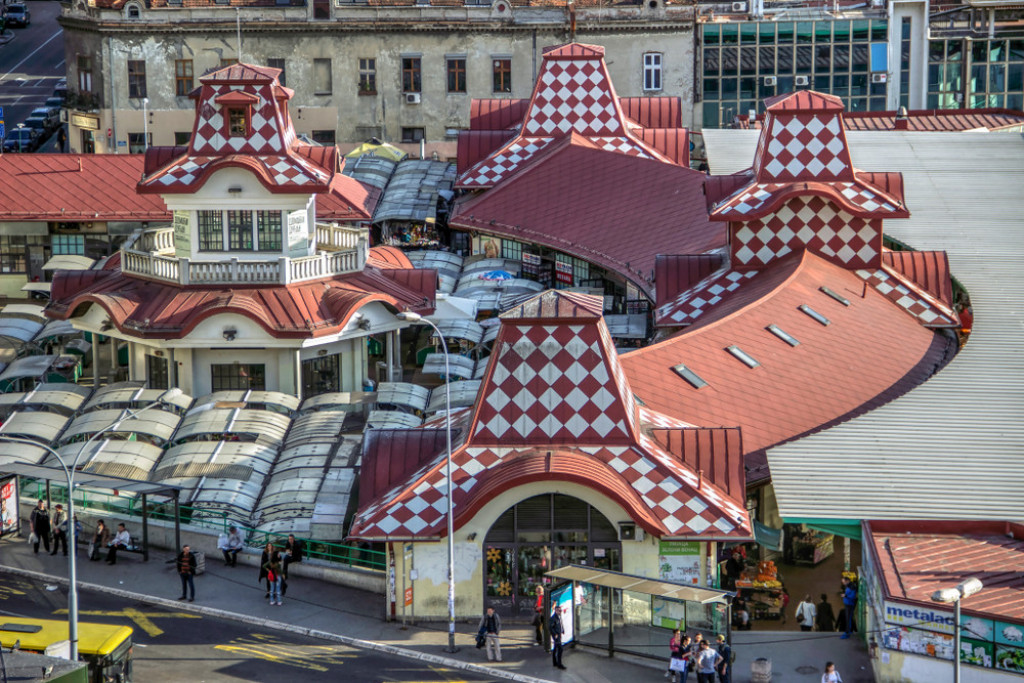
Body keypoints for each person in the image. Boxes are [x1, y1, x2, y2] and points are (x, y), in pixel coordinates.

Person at [550, 606, 566, 670]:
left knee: (555, 648)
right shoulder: (553, 618)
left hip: (558, 634)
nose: (560, 612)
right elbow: (550, 627)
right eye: (559, 611)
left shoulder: (558, 617)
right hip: (556, 635)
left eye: (561, 610)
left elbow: (560, 624)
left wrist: (562, 630)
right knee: (560, 649)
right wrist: (555, 634)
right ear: (556, 611)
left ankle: (555, 662)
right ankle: (559, 664)